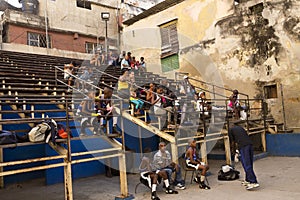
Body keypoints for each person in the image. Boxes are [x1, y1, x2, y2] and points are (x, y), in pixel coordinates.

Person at [228, 123, 259, 190]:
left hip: (243, 146)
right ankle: (247, 180)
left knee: (246, 164)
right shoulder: (240, 128)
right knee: (249, 163)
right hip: (249, 144)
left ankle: (253, 181)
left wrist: (234, 151)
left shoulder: (230, 130)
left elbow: (233, 142)